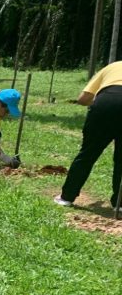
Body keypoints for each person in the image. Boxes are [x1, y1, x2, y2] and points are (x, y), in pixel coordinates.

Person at [55, 61, 122, 209]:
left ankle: (67, 197)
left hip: (106, 102)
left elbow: (83, 99)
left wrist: (102, 105)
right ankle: (120, 203)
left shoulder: (111, 67)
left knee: (87, 154)